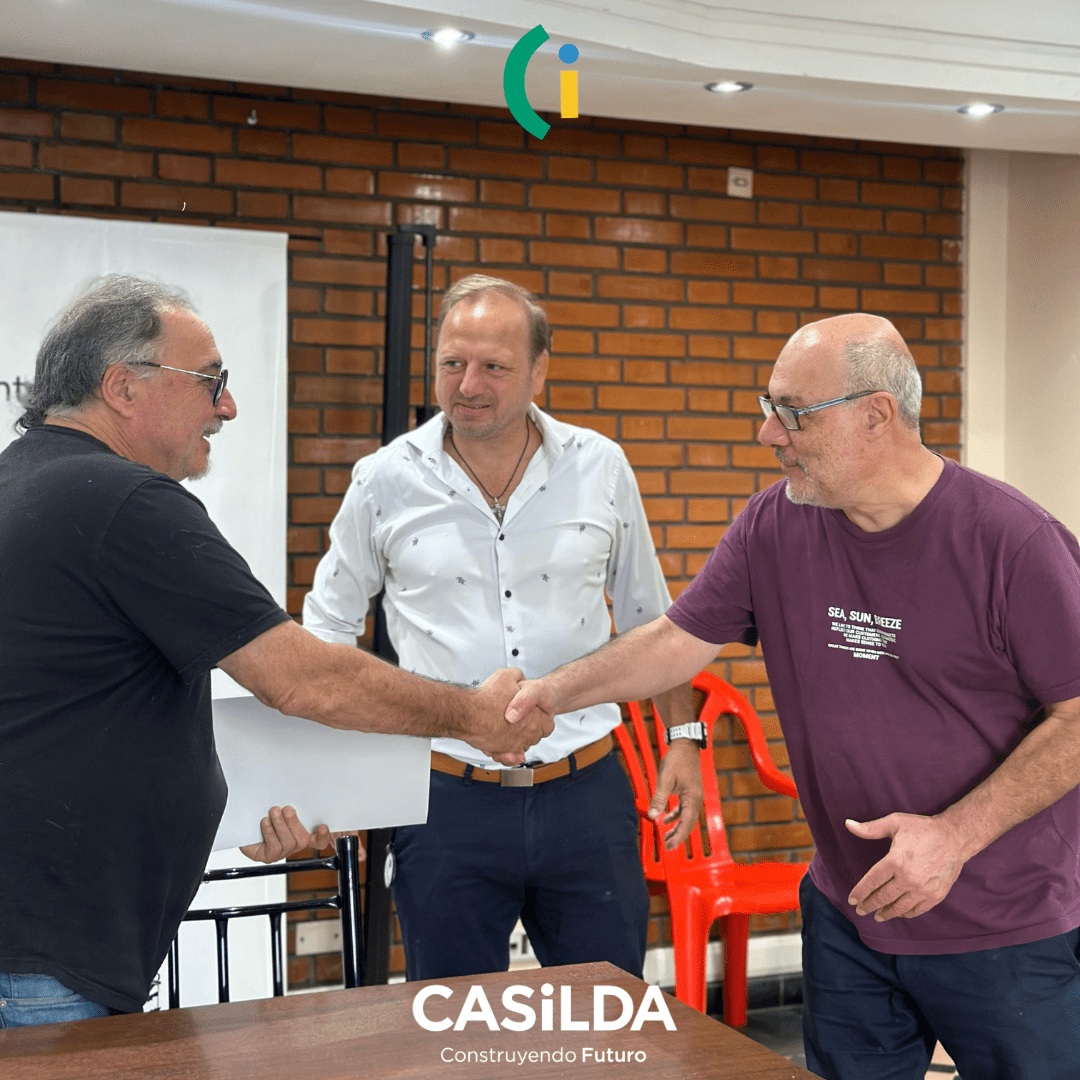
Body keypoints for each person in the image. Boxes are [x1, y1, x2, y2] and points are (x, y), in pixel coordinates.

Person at [506, 313, 1080, 1080]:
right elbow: (676, 641)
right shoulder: (775, 524)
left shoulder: (1013, 541)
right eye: (768, 406)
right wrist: (549, 692)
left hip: (1005, 921)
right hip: (848, 912)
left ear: (876, 414)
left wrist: (954, 835)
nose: (768, 434)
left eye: (792, 412)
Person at [0, 276, 552, 1028]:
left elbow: (78, 713)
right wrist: (476, 717)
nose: (226, 406)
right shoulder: (123, 502)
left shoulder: (25, 484)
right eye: (210, 380)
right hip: (45, 963)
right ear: (123, 387)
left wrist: (279, 799)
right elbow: (300, 679)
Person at [304, 274, 703, 982]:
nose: (469, 385)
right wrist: (340, 777)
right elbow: (328, 626)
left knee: (606, 1025)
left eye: (494, 365)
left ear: (539, 371)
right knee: (457, 1027)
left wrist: (683, 738)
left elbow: (653, 619)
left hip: (586, 795)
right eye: (453, 363)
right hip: (442, 801)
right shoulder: (383, 480)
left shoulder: (601, 468)